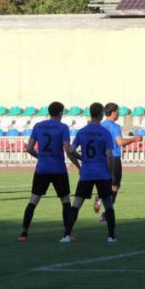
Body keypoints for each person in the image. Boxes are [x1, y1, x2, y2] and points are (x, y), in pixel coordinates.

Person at [19, 102, 73, 242]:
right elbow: (67, 149)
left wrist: (41, 157)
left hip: (42, 169)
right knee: (65, 200)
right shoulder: (63, 127)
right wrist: (78, 161)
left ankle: (24, 233)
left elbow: (29, 148)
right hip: (58, 169)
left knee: (33, 200)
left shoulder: (38, 126)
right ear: (60, 113)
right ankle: (67, 234)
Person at [62, 102, 116, 244]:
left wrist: (81, 160)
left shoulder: (82, 132)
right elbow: (109, 155)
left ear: (91, 114)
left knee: (76, 204)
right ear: (101, 114)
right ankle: (111, 237)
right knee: (108, 204)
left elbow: (70, 150)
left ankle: (67, 235)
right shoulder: (105, 132)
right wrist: (110, 173)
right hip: (102, 173)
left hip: (87, 173)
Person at [93, 102, 143, 221]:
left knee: (105, 182)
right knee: (115, 185)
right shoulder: (115, 127)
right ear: (113, 112)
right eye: (118, 111)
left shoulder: (100, 125)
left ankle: (99, 198)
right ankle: (106, 213)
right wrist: (134, 139)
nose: (119, 113)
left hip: (101, 157)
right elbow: (119, 142)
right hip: (113, 157)